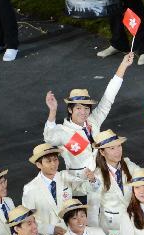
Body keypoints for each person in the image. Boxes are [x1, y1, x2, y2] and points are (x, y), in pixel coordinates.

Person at [43, 53, 134, 196]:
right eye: (78, 108)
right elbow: (49, 138)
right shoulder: (63, 131)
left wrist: (123, 66)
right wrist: (53, 111)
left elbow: (108, 98)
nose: (83, 112)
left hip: (101, 180)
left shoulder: (93, 121)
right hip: (79, 188)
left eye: (86, 108)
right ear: (70, 109)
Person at [21, 143, 95, 235]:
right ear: (39, 164)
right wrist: (50, 229)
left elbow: (83, 188)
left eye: (55, 160)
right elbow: (27, 220)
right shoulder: (30, 189)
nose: (53, 164)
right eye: (48, 161)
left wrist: (92, 180)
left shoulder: (64, 176)